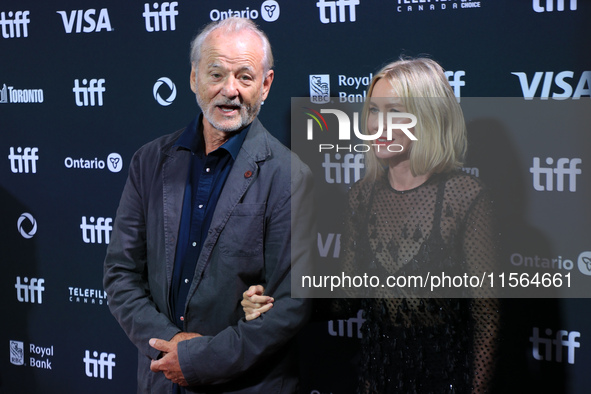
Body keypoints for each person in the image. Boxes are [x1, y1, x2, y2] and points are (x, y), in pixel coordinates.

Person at [243, 58, 499, 393]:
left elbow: (486, 318)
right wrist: (278, 300)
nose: (377, 124)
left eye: (394, 111)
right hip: (376, 381)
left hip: (445, 383)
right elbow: (347, 298)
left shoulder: (465, 197)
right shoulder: (362, 197)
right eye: (373, 111)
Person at [103, 17, 314, 393]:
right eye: (216, 74)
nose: (229, 90)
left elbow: (290, 306)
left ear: (265, 85)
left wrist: (200, 359)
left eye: (245, 78)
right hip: (161, 378)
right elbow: (121, 274)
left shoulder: (290, 177)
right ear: (193, 78)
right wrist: (171, 346)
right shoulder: (149, 161)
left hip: (247, 385)